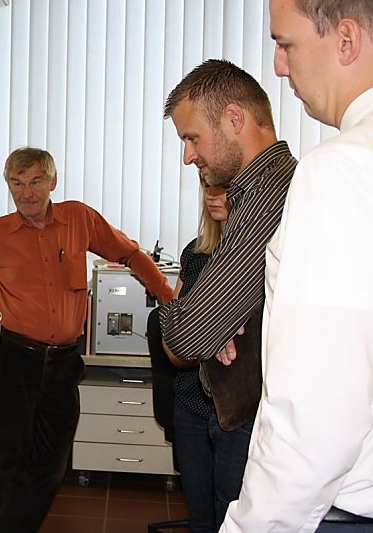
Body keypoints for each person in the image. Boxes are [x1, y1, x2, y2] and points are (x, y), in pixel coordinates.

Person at [220, 0, 373, 531]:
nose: (278, 65)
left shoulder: (347, 171)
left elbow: (314, 427)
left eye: (286, 43)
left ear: (346, 38)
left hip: (346, 515)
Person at [0, 147, 175, 533]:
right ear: (9, 186)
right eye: (17, 184)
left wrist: (167, 297)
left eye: (34, 182)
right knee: (11, 459)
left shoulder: (78, 218)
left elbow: (130, 253)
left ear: (52, 182)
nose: (26, 193)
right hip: (15, 358)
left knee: (53, 458)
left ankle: (5, 529)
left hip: (64, 360)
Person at [160, 59, 297, 527]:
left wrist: (184, 316)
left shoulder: (269, 194)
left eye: (192, 137)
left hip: (260, 422)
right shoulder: (256, 194)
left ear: (234, 119)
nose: (188, 156)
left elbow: (186, 337)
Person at [168, 181, 230, 533]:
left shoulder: (261, 253)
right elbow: (175, 323)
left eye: (222, 189)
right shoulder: (195, 253)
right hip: (191, 398)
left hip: (233, 407)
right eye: (207, 187)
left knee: (230, 512)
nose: (212, 195)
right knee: (200, 516)